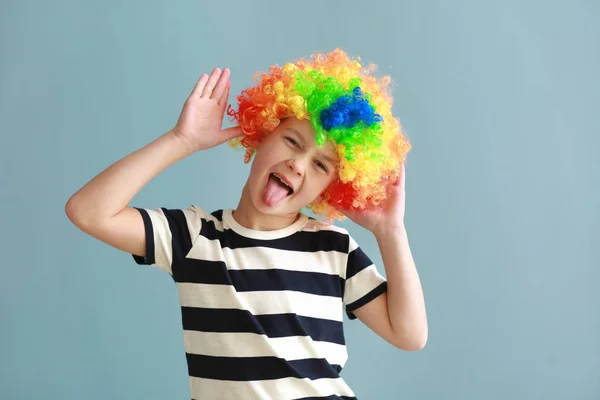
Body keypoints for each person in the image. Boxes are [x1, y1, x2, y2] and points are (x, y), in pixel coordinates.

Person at [65, 49, 428, 400]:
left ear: (332, 187)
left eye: (320, 165)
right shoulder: (193, 238)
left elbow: (409, 335)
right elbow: (89, 212)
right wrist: (182, 141)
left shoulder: (333, 248)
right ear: (259, 134)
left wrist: (390, 231)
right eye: (291, 141)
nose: (298, 165)